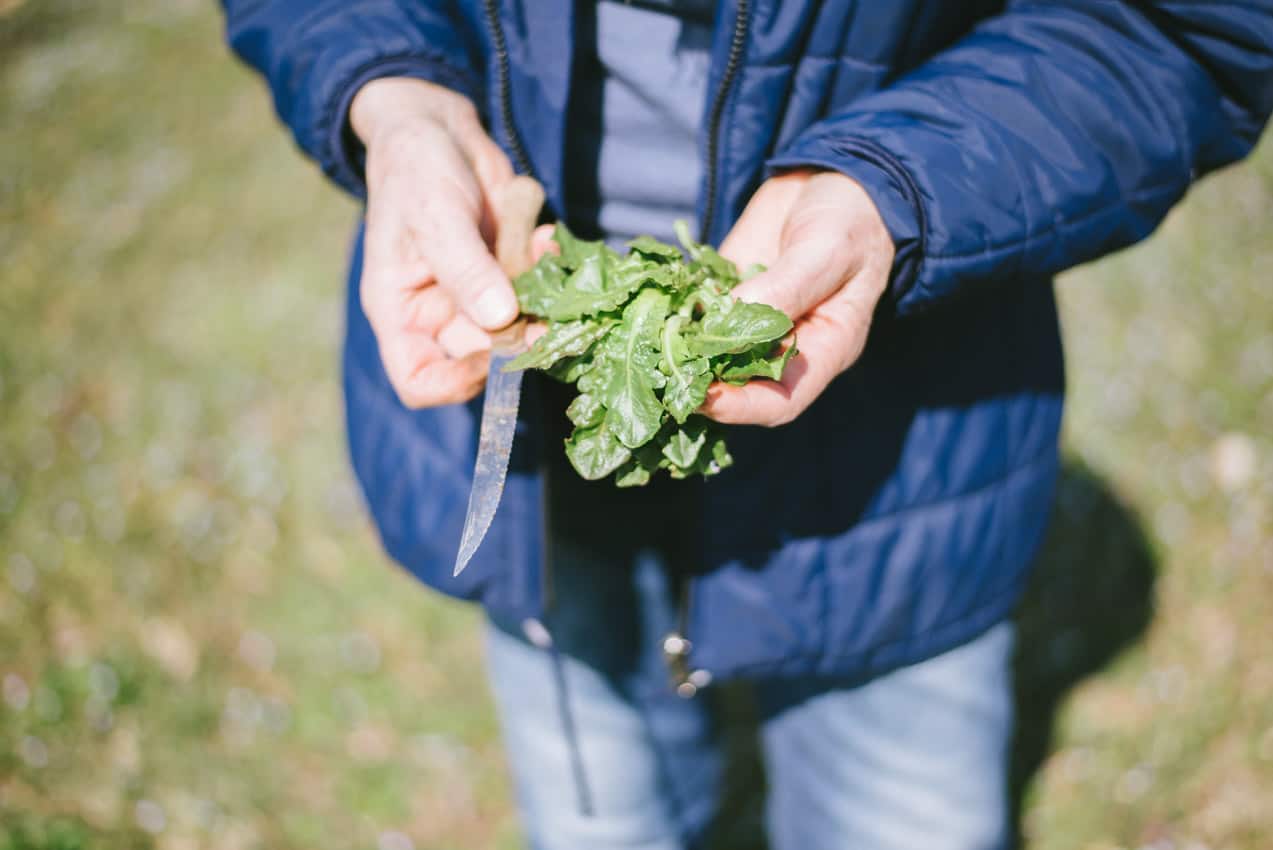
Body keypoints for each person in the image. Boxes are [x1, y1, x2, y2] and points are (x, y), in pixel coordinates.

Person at [222, 2, 1273, 848]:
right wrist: (396, 98)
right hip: (520, 395)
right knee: (597, 806)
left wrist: (893, 189)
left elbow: (1181, 26)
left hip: (903, 430)